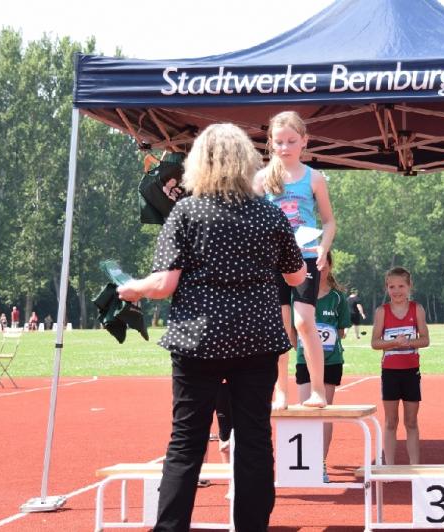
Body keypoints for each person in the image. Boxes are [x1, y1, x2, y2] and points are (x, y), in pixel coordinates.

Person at [117, 123, 306, 532]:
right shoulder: (269, 215)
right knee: (254, 441)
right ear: (246, 162)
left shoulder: (186, 213)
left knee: (186, 443)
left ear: (198, 164)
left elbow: (164, 284)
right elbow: (296, 276)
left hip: (198, 339)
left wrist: (133, 289)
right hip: (256, 340)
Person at [253, 110, 336, 410]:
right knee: (280, 327)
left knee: (303, 322)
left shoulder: (314, 178)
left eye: (291, 141)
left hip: (305, 258)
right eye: (279, 142)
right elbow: (251, 220)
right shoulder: (262, 178)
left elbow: (329, 221)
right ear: (270, 143)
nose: (285, 147)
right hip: (272, 262)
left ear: (304, 141)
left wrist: (324, 247)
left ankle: (318, 391)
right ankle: (281, 394)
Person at [295, 251, 351, 482]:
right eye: (315, 267)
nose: (319, 271)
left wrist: (320, 336)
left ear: (329, 266)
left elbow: (341, 331)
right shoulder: (298, 295)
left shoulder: (338, 298)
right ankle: (303, 463)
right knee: (303, 413)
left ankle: (321, 463)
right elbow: (293, 330)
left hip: (331, 361)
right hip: (303, 361)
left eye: (323, 267)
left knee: (324, 413)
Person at [371, 266, 430, 465]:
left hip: (411, 372)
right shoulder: (382, 311)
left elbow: (425, 340)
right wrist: (393, 343)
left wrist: (409, 342)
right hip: (390, 373)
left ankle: (415, 466)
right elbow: (375, 343)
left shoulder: (417, 309)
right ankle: (389, 466)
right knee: (391, 421)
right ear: (386, 288)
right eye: (392, 287)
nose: (396, 291)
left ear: (409, 286)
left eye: (401, 286)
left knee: (411, 422)